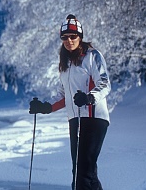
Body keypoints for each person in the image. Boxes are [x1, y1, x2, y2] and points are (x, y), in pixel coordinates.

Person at [29, 14, 111, 190]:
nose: (69, 40)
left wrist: (90, 97)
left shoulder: (92, 56)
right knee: (81, 171)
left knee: (84, 173)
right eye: (65, 37)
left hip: (94, 118)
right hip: (75, 120)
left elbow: (105, 84)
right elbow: (64, 95)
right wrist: (45, 107)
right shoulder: (66, 62)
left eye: (73, 36)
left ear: (80, 37)